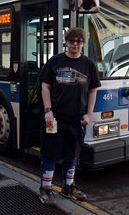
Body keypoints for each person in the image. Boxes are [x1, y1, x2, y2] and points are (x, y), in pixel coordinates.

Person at [38, 27, 101, 206]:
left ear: (83, 43)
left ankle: (68, 187)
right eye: (71, 41)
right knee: (50, 154)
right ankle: (45, 189)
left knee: (72, 155)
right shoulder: (55, 61)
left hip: (77, 119)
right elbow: (45, 87)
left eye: (78, 41)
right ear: (66, 42)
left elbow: (92, 91)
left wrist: (88, 115)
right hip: (55, 119)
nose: (75, 44)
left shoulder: (89, 65)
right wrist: (48, 111)